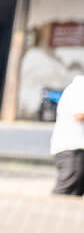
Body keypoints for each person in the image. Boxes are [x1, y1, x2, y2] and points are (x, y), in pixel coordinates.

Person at [51, 69, 84, 197]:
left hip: (78, 148)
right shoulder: (80, 87)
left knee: (75, 192)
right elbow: (79, 114)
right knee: (65, 191)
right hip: (71, 149)